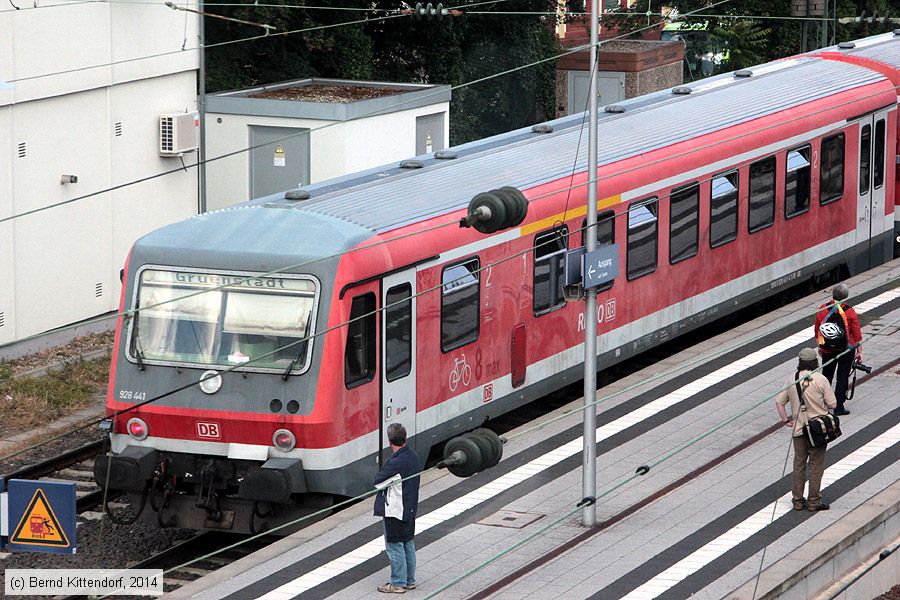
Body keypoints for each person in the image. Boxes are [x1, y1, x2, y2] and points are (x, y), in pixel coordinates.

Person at [776, 347, 837, 512]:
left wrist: (786, 420)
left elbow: (779, 402)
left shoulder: (792, 379)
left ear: (800, 362)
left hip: (798, 430)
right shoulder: (821, 379)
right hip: (817, 430)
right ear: (815, 362)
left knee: (799, 465)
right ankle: (814, 502)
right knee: (816, 465)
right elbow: (833, 404)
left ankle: (797, 501)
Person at [374, 423, 420, 594]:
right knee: (408, 543)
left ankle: (398, 583)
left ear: (389, 441)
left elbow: (378, 483)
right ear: (405, 438)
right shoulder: (413, 456)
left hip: (395, 509)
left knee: (394, 546)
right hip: (410, 508)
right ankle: (410, 580)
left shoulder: (396, 462)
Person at [814, 283, 861, 416]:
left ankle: (822, 404)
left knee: (826, 376)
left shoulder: (822, 309)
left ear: (833, 295)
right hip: (846, 349)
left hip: (827, 349)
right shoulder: (850, 312)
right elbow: (857, 334)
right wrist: (860, 352)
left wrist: (820, 346)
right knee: (842, 377)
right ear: (846, 296)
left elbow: (818, 330)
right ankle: (838, 407)